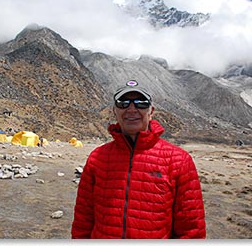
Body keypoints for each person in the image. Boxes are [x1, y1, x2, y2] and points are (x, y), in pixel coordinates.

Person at [71, 80, 206, 239]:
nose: (131, 109)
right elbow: (83, 220)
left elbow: (192, 230)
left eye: (141, 103)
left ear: (151, 111)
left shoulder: (178, 161)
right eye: (123, 103)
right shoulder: (97, 158)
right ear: (115, 111)